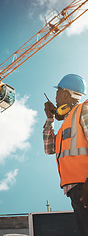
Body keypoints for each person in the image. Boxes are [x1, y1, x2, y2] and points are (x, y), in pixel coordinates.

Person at [43, 74, 88, 236]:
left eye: (57, 93)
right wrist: (50, 119)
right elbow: (49, 148)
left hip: (85, 185)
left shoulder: (84, 110)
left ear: (65, 93)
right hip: (74, 190)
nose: (55, 98)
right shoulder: (65, 126)